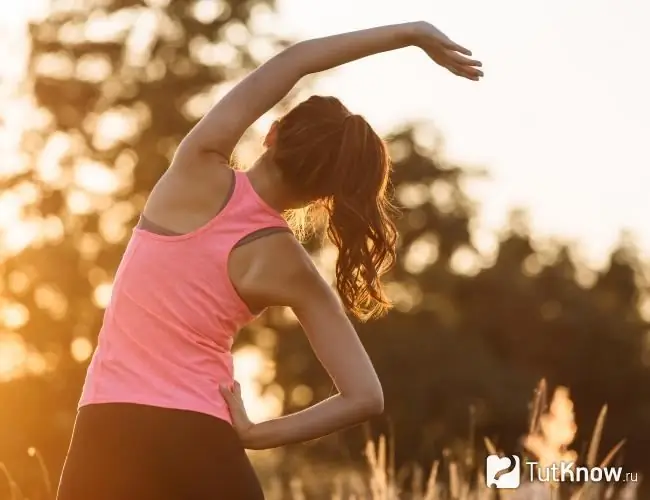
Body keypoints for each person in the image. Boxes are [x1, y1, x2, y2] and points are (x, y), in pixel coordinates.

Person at [56, 20, 482, 500]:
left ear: (273, 133)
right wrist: (259, 434)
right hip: (204, 441)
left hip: (108, 428)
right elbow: (366, 396)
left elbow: (296, 61)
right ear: (325, 195)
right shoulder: (292, 268)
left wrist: (410, 33)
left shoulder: (196, 166)